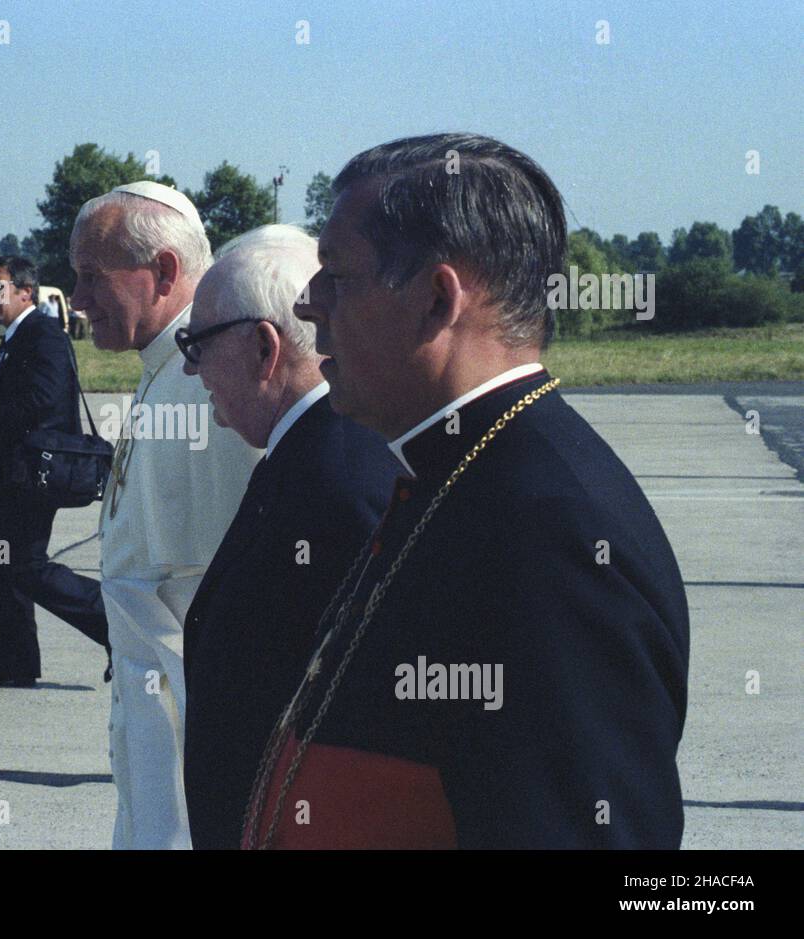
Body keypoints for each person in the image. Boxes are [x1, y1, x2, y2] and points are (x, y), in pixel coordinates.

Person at [243, 133, 689, 850]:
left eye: (337, 275)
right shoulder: (457, 474)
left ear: (435, 300)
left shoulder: (554, 536)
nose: (307, 302)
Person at [177, 225, 400, 850]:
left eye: (197, 346)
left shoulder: (335, 475)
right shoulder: (308, 452)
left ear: (263, 349)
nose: (193, 372)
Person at [69, 181, 262, 849]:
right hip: (153, 723)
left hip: (193, 732)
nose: (78, 298)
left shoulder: (211, 381)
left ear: (165, 272)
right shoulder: (168, 368)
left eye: (93, 276)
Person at [0, 256, 108, 687]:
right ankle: (13, 662)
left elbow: (40, 402)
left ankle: (112, 622)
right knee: (5, 567)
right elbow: (19, 392)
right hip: (20, 477)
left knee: (24, 565)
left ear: (26, 292)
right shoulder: (18, 336)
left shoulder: (43, 335)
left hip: (35, 476)